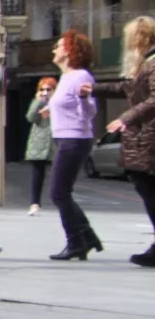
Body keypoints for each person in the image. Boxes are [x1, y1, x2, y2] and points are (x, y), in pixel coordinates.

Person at [95, 16, 155, 266]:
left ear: (140, 38)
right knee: (146, 187)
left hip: (148, 137)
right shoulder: (146, 64)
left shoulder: (153, 63)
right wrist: (93, 88)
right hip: (143, 137)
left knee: (148, 188)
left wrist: (125, 118)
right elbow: (127, 88)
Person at [42, 30, 100, 260]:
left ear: (69, 50)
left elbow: (89, 112)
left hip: (74, 138)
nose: (54, 49)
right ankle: (86, 238)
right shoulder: (66, 77)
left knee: (58, 192)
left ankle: (77, 241)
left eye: (58, 45)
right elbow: (66, 103)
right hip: (65, 138)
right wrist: (49, 108)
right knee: (61, 192)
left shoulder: (80, 76)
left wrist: (84, 99)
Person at [24, 77, 56, 217]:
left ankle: (61, 200)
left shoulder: (59, 102)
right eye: (42, 89)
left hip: (55, 141)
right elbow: (30, 118)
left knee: (59, 172)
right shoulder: (37, 102)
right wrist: (38, 102)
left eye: (48, 89)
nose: (45, 92)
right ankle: (34, 203)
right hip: (39, 141)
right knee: (37, 173)